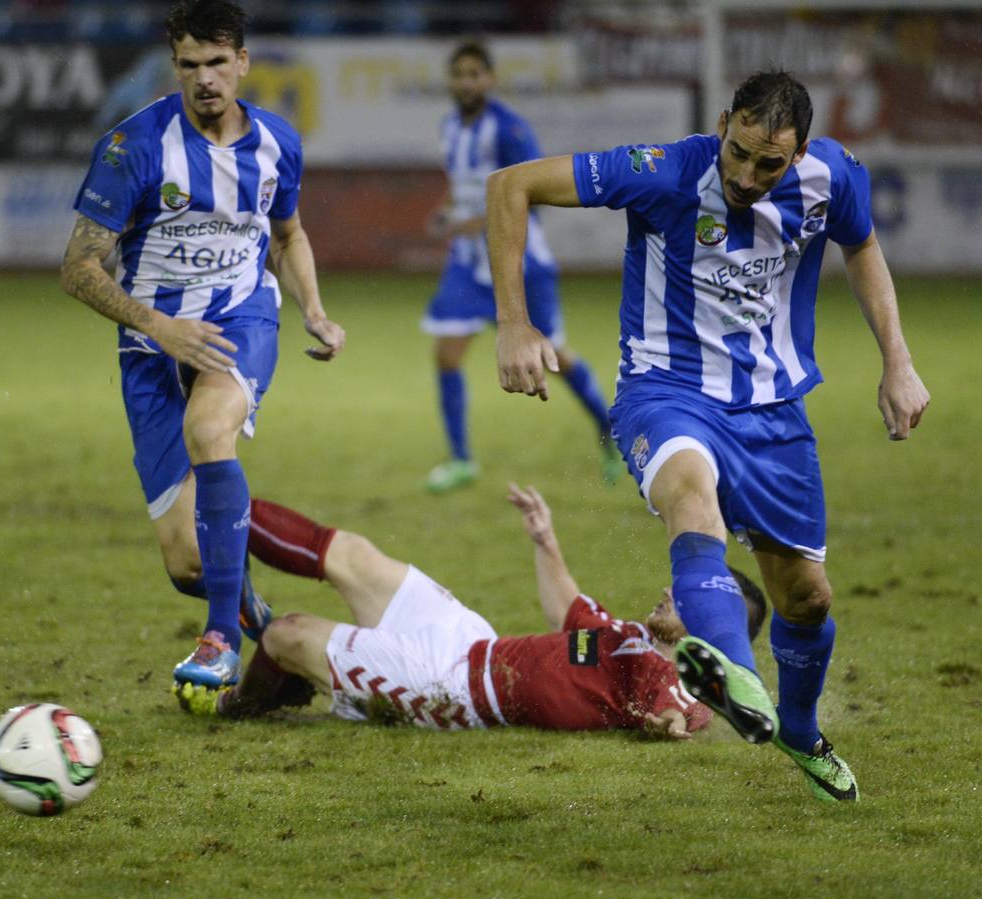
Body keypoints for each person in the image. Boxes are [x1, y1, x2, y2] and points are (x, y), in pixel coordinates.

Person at [488, 71, 931, 801]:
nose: (747, 175)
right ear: (723, 124)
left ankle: (797, 728)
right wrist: (515, 323)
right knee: (693, 504)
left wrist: (897, 361)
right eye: (738, 151)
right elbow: (510, 185)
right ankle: (734, 672)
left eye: (768, 164)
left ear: (799, 154)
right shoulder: (663, 171)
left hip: (772, 414)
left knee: (807, 600)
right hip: (665, 394)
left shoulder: (832, 177)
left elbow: (862, 248)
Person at [59, 1, 345, 690]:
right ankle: (272, 632)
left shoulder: (277, 143)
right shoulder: (134, 149)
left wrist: (313, 309)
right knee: (187, 560)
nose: (205, 79)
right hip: (153, 345)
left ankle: (219, 639)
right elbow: (77, 267)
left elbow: (286, 235)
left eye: (218, 63)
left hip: (240, 320)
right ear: (175, 67)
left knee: (208, 427)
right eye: (190, 65)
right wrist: (159, 328)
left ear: (243, 62)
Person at [177, 484, 767, 741]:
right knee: (352, 555)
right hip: (471, 641)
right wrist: (545, 540)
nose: (674, 590)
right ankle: (218, 495)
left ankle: (243, 704)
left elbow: (675, 722)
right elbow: (567, 607)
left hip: (452, 690)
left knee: (285, 634)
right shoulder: (631, 636)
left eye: (692, 596)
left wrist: (676, 723)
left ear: (718, 627)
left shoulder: (675, 689)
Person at [420, 41, 619, 493]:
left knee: (555, 359)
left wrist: (471, 223)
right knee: (446, 355)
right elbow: (463, 184)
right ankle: (461, 460)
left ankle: (609, 432)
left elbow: (528, 196)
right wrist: (446, 208)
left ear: (489, 80)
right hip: (469, 265)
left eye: (475, 73)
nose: (467, 81)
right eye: (459, 73)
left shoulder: (510, 130)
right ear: (451, 80)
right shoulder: (450, 127)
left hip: (521, 264)